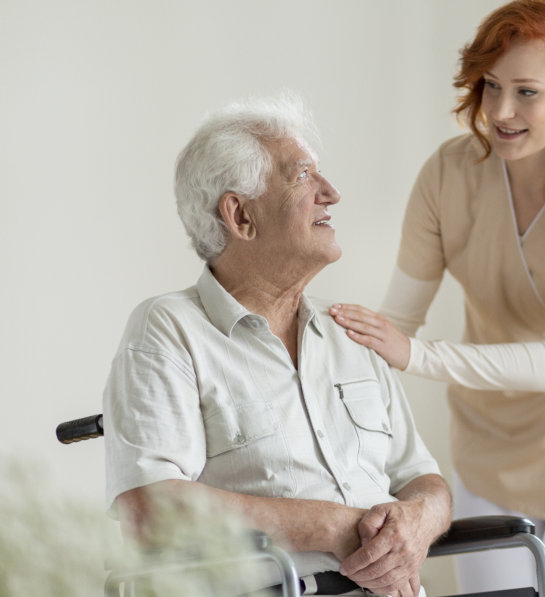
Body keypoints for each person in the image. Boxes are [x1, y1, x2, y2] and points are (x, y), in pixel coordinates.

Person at [328, 1, 545, 595]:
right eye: (491, 86)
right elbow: (396, 322)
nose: (501, 112)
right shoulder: (448, 176)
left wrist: (416, 354)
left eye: (527, 92)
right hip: (490, 436)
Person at [102, 93, 451, 597]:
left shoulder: (348, 329)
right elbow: (148, 509)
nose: (331, 193)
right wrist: (328, 526)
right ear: (240, 216)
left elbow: (423, 478)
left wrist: (418, 521)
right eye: (303, 176)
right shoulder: (169, 328)